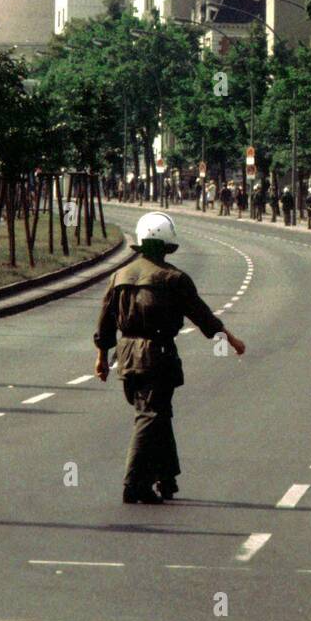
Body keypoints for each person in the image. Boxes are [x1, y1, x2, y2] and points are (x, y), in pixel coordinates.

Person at [94, 212, 246, 504]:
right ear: (167, 246)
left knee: (157, 414)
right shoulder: (174, 279)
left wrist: (101, 358)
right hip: (157, 354)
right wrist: (232, 340)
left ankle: (166, 477)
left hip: (125, 355)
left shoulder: (119, 276)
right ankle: (134, 483)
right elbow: (203, 317)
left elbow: (105, 321)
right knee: (150, 415)